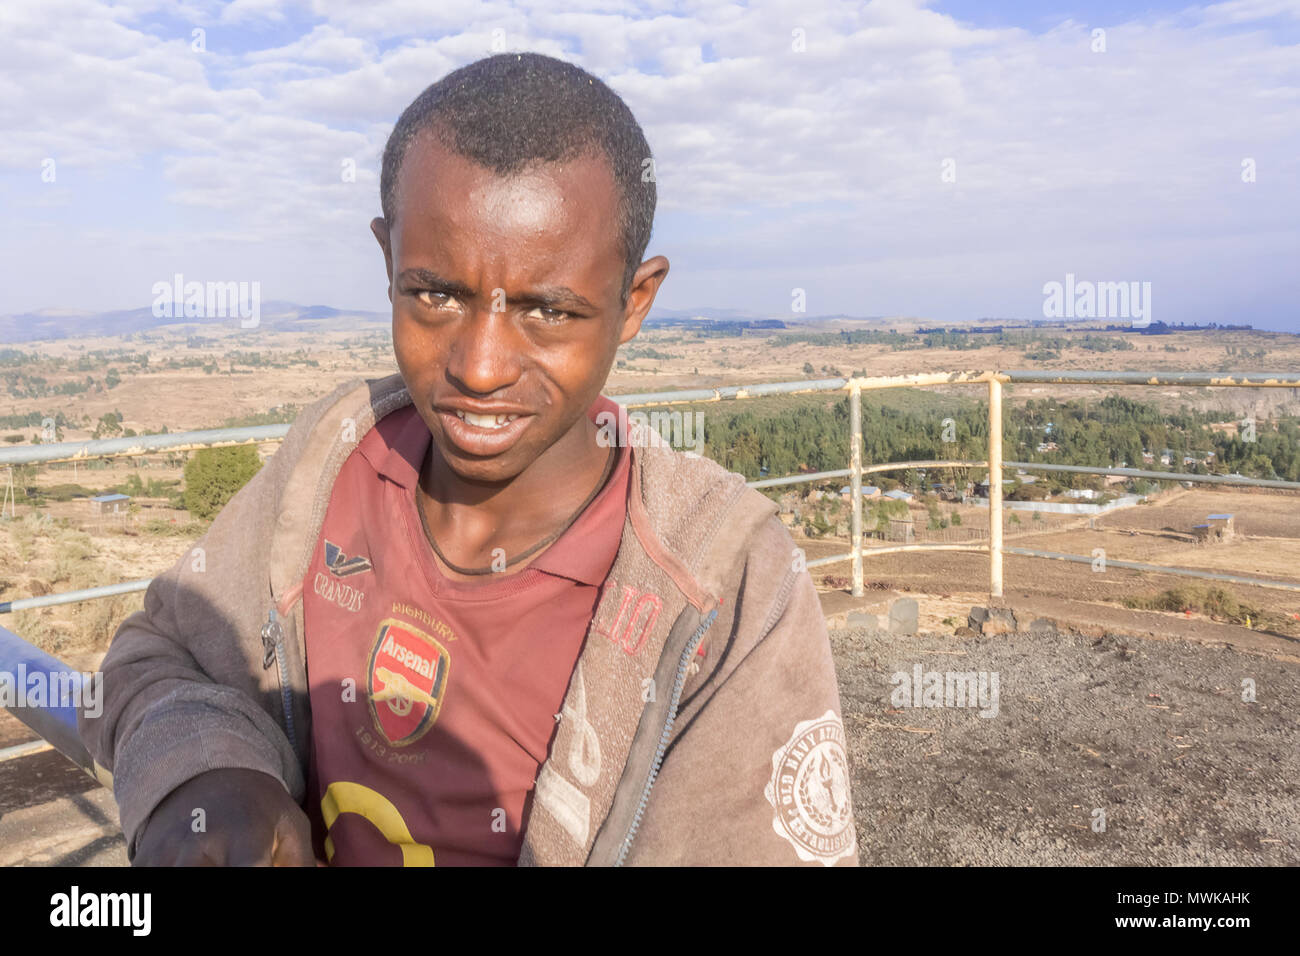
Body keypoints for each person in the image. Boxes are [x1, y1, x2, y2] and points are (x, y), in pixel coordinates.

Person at [79, 51, 857, 867]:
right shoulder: (334, 461)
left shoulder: (719, 579)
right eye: (435, 294)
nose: (480, 367)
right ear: (387, 262)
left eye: (550, 310)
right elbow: (164, 650)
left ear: (634, 302)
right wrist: (209, 773)